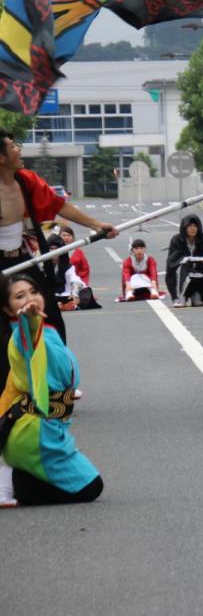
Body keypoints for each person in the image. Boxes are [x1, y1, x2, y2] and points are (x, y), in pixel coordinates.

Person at [0, 130, 116, 388]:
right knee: (5, 332)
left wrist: (97, 225)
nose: (19, 149)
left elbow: (58, 205)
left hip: (25, 261)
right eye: (13, 146)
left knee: (50, 318)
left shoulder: (26, 181)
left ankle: (57, 385)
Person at [0, 272, 103, 507]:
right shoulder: (23, 334)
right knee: (91, 487)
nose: (30, 299)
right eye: (20, 296)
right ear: (8, 310)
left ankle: (24, 474)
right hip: (35, 433)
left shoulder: (48, 330)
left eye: (34, 292)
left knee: (84, 480)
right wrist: (28, 320)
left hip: (45, 428)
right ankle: (19, 484)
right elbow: (29, 340)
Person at [166, 213, 203, 308]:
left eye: (195, 226)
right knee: (181, 267)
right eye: (190, 226)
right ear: (184, 227)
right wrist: (196, 259)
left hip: (199, 272)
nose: (193, 228)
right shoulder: (177, 240)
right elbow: (173, 261)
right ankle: (181, 297)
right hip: (182, 272)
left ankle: (196, 295)